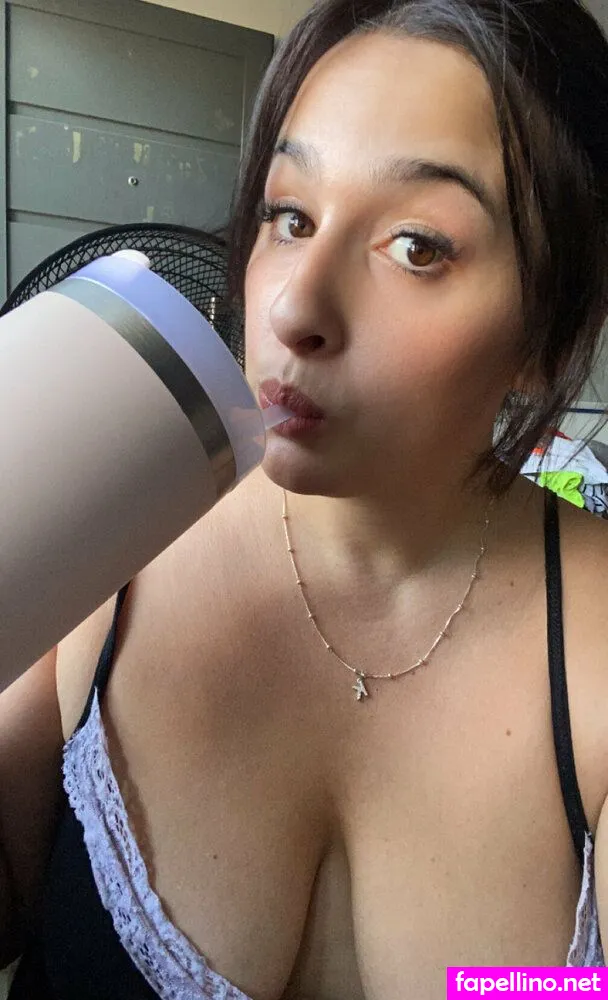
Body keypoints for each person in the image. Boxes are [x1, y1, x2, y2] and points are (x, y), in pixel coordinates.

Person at [1, 0, 608, 996]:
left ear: (547, 334)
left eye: (417, 246)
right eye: (290, 217)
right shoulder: (109, 534)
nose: (293, 307)